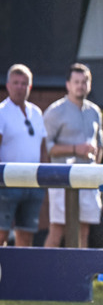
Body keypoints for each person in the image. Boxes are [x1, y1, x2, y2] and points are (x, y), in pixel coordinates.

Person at [43, 63, 103, 248]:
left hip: (88, 180)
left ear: (90, 84)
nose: (80, 85)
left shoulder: (95, 111)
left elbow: (99, 144)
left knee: (84, 231)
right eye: (76, 81)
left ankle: (79, 276)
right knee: (57, 231)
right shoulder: (55, 111)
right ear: (68, 84)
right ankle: (44, 275)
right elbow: (48, 149)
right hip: (62, 179)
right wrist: (75, 149)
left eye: (84, 81)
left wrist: (95, 174)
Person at [0, 64, 48, 246]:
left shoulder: (36, 112)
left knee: (26, 235)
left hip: (33, 183)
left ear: (30, 86)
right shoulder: (2, 112)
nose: (20, 87)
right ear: (8, 85)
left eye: (24, 83)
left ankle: (21, 274)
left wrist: (44, 179)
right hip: (6, 184)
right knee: (1, 233)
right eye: (16, 83)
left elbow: (43, 148)